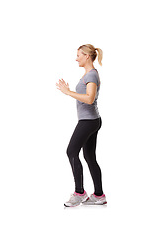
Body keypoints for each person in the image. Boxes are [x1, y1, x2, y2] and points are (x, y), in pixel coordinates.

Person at [56, 44, 107, 207]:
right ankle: (99, 195)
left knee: (71, 151)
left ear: (86, 56)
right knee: (89, 157)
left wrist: (68, 92)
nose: (76, 58)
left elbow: (90, 98)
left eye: (78, 55)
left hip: (88, 121)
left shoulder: (91, 75)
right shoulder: (89, 74)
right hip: (91, 120)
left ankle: (79, 193)